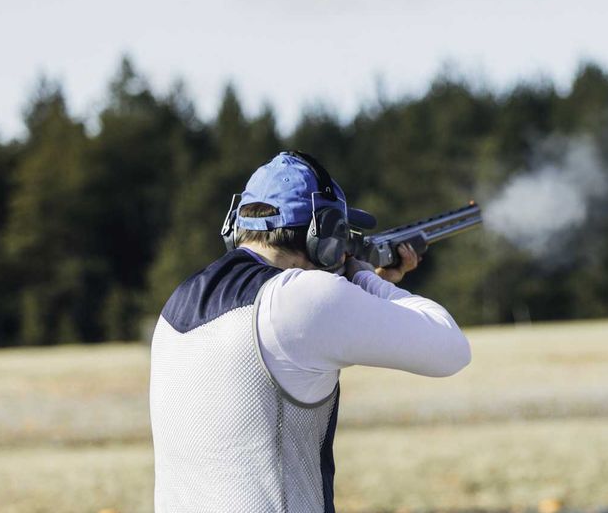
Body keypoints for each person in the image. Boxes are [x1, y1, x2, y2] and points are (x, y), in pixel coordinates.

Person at [149, 151, 471, 512]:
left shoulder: (179, 302)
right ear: (326, 232)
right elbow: (451, 347)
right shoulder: (297, 299)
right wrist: (364, 278)